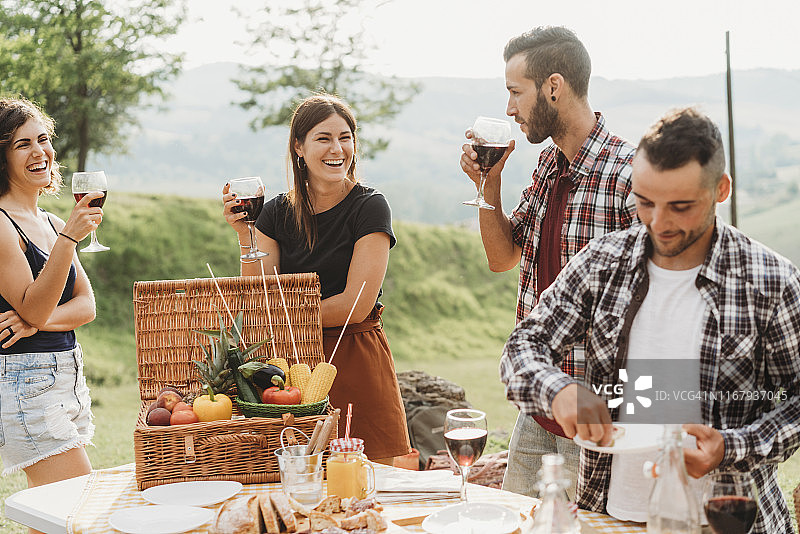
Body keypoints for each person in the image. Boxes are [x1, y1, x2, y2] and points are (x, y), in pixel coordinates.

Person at [500, 107, 800, 533]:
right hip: (611, 515)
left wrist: (733, 446)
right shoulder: (603, 264)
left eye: (680, 207)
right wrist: (559, 390)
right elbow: (521, 347)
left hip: (730, 522)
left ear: (721, 189)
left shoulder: (772, 281)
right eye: (645, 202)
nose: (659, 223)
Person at [459, 26, 636, 497]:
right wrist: (487, 185)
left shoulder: (629, 176)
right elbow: (502, 257)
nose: (509, 109)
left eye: (516, 92)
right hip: (538, 409)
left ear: (553, 87)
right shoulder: (547, 166)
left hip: (601, 416)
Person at [222, 93, 410, 465]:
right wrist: (246, 234)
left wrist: (284, 317)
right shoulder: (275, 211)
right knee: (294, 480)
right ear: (299, 146)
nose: (337, 148)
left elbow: (355, 306)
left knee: (365, 487)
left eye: (345, 137)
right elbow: (258, 294)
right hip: (291, 371)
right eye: (323, 138)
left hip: (355, 359)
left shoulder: (370, 206)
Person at [0, 98, 101, 495]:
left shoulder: (52, 221)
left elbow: (87, 306)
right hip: (26, 384)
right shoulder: (3, 224)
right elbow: (36, 304)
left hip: (65, 378)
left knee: (51, 516)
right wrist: (70, 239)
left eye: (43, 139)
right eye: (22, 144)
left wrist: (34, 320)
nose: (40, 152)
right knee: (78, 502)